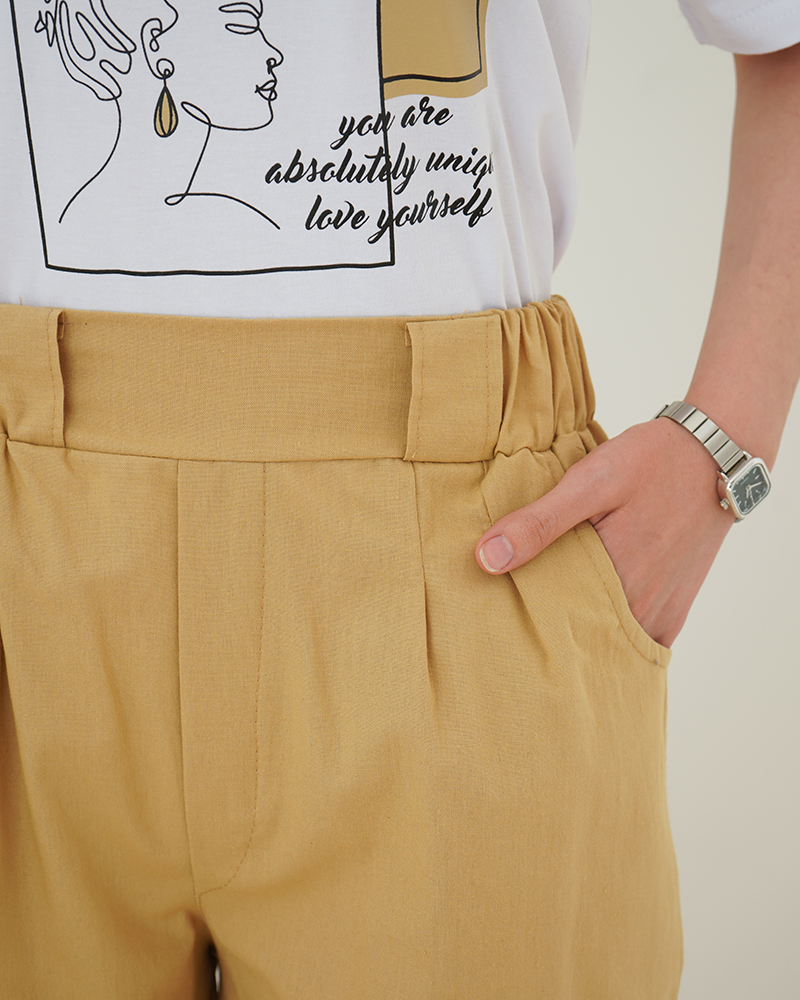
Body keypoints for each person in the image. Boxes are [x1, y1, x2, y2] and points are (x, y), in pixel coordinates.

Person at [1, 2, 798, 998]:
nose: (270, 48)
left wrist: (726, 442)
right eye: (243, 24)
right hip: (27, 574)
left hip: (460, 558)